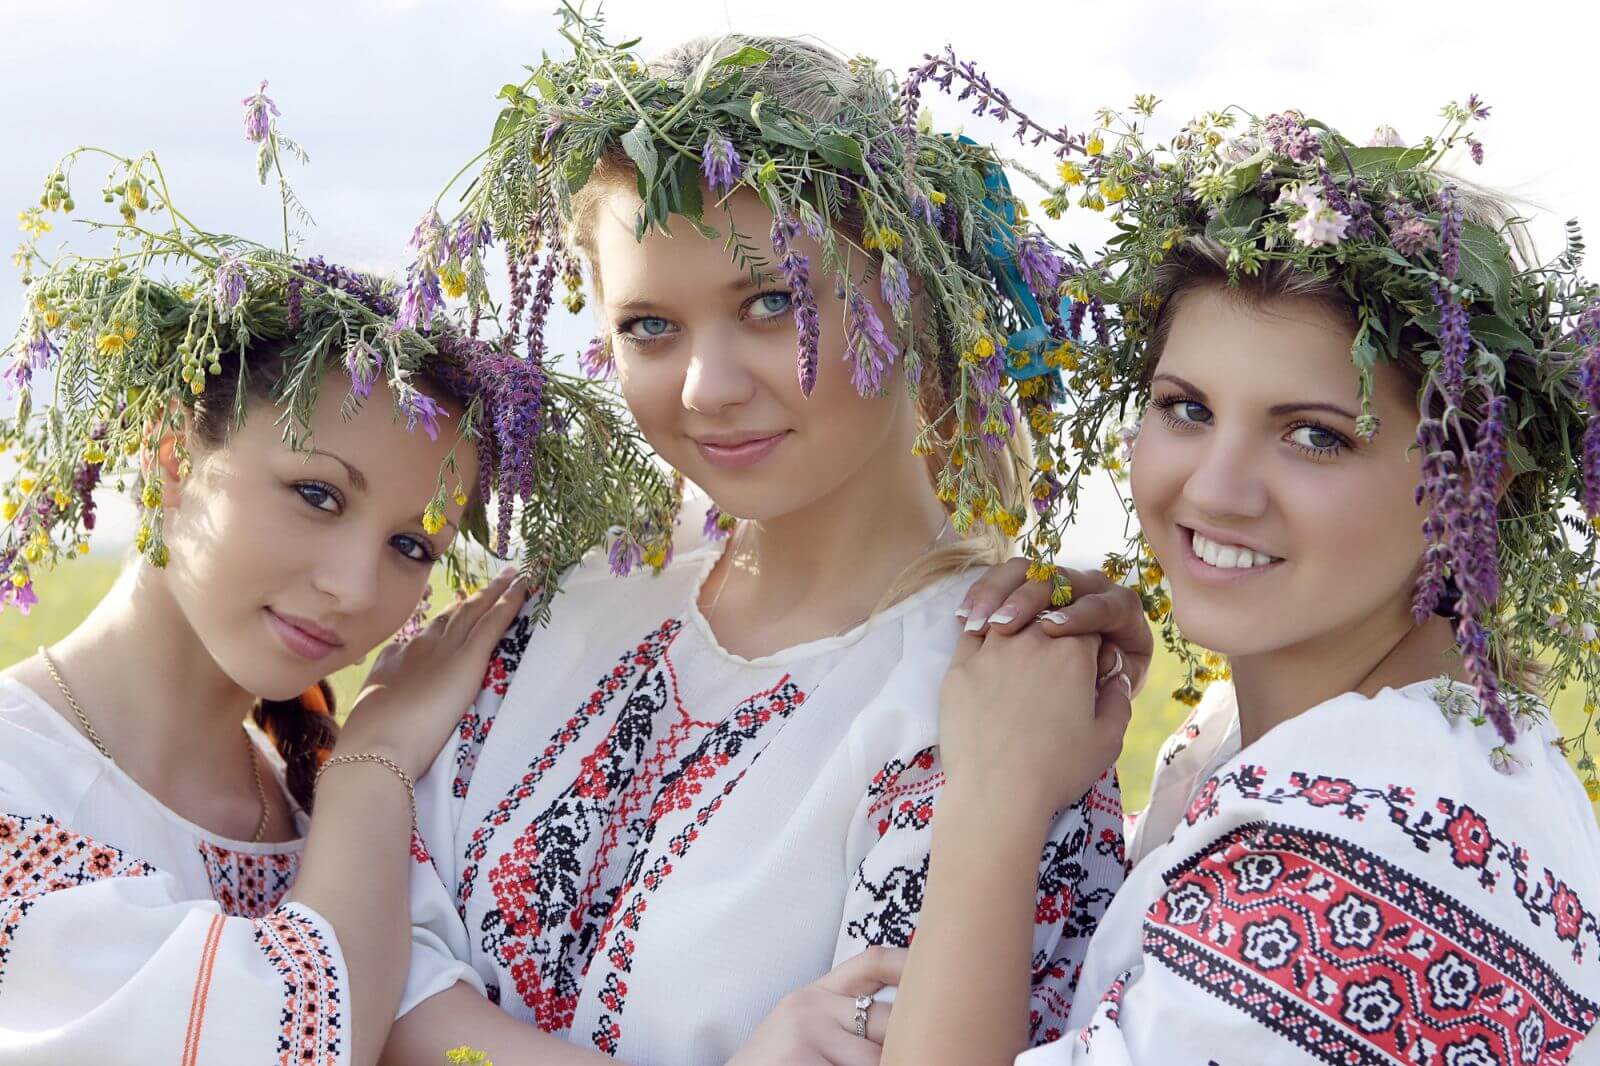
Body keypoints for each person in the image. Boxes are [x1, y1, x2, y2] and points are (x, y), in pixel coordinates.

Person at [376, 15, 1146, 1065]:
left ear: (910, 295)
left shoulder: (991, 688)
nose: (707, 388)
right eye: (650, 326)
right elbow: (364, 963)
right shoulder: (550, 606)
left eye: (773, 303)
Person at [882, 99, 1600, 1064]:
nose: (1214, 491)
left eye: (1315, 436)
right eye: (1185, 409)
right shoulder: (1285, 748)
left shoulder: (1367, 862)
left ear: (1473, 478)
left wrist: (996, 798)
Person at [0, 122, 673, 1065]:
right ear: (167, 460)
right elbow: (289, 1037)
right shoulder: (20, 783)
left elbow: (446, 1045)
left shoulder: (317, 804)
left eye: (411, 544)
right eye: (317, 495)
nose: (356, 588)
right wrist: (379, 754)